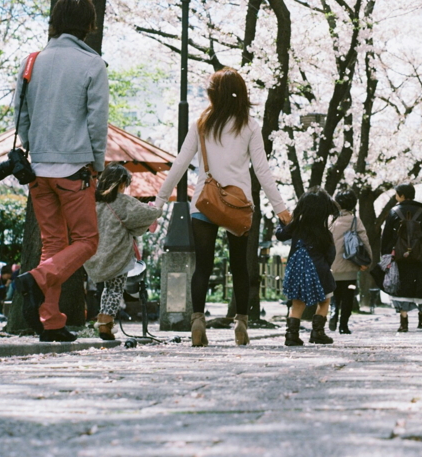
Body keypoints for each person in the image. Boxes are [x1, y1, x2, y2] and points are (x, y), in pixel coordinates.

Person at [156, 67, 291, 347]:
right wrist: (280, 209)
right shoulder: (249, 125)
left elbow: (180, 163)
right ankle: (241, 323)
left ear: (213, 94)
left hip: (205, 202)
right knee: (239, 266)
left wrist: (159, 201)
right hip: (238, 204)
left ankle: (197, 321)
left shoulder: (201, 123)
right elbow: (262, 171)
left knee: (202, 267)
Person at [12, 0, 108, 343]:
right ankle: (37, 280)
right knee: (87, 241)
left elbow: (20, 117)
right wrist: (97, 164)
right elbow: (97, 123)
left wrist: (33, 147)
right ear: (89, 25)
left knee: (54, 242)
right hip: (74, 168)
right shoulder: (92, 64)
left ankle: (50, 320)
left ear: (55, 21)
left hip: (37, 168)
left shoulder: (32, 61)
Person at [84, 164, 161, 340]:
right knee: (116, 289)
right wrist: (156, 208)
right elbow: (144, 213)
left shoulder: (93, 202)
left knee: (106, 289)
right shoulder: (122, 201)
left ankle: (103, 321)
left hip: (96, 254)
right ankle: (105, 323)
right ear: (120, 184)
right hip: (117, 254)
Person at [277, 190, 338, 346]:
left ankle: (291, 335)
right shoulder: (324, 232)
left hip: (296, 268)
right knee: (325, 300)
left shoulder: (296, 226)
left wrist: (283, 222)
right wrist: (326, 267)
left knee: (297, 303)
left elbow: (280, 235)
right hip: (319, 268)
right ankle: (317, 332)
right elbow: (330, 253)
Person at [380, 182, 422, 331]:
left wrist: (385, 255)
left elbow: (386, 237)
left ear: (402, 196)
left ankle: (403, 322)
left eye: (397, 195)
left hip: (400, 256)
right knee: (421, 285)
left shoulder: (393, 212)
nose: (396, 198)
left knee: (401, 287)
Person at [329, 189, 371, 335]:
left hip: (332, 267)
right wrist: (367, 260)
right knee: (348, 297)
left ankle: (333, 310)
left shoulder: (331, 220)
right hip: (350, 266)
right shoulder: (355, 221)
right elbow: (364, 240)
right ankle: (343, 326)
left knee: (334, 294)